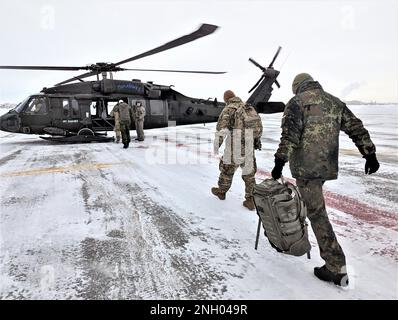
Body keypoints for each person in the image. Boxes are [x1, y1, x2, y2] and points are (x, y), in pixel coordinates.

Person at [271, 73, 380, 286]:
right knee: (312, 208)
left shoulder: (296, 103)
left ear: (297, 88)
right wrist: (369, 153)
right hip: (326, 166)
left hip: (306, 169)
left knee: (317, 214)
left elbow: (289, 137)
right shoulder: (334, 102)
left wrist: (279, 162)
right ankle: (302, 242)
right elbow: (355, 127)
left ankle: (335, 267)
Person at [211, 90, 263, 211]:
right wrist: (256, 142)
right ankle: (250, 200)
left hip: (235, 145)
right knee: (249, 173)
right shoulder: (247, 107)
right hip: (249, 143)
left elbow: (222, 129)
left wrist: (216, 145)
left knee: (227, 170)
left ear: (226, 99)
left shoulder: (228, 109)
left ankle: (221, 191)